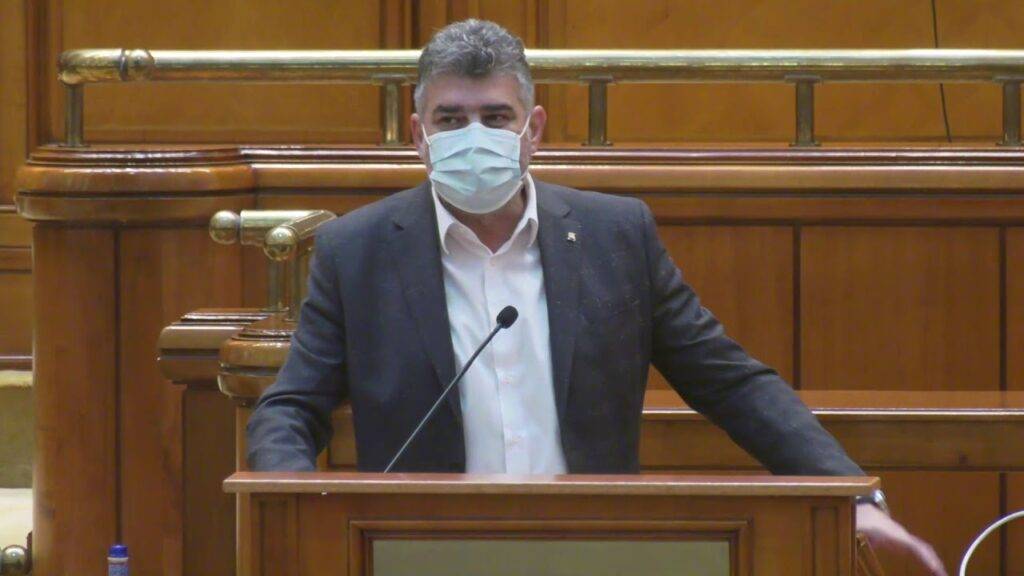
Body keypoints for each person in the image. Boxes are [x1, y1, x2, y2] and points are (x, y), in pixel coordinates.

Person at [246, 19, 947, 575]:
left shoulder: (617, 235)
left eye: (495, 116)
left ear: (534, 130)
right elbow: (291, 408)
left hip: (594, 547)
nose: (473, 136)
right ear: (418, 135)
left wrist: (850, 495)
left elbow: (731, 382)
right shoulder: (358, 250)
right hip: (420, 550)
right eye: (451, 119)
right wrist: (298, 507)